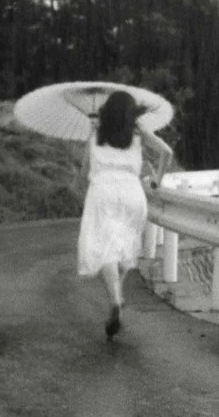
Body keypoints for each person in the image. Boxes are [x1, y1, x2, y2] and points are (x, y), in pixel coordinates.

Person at [73, 90, 173, 339]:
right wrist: (157, 180)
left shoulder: (96, 133)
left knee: (104, 248)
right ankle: (117, 295)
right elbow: (167, 152)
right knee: (125, 246)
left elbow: (84, 171)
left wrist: (79, 184)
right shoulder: (138, 133)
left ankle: (115, 300)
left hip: (103, 192)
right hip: (132, 193)